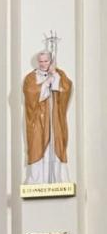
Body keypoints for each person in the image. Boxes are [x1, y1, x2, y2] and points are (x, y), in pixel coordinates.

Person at [23, 50, 72, 184]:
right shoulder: (31, 78)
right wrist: (46, 83)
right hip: (38, 122)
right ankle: (37, 181)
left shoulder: (58, 74)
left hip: (54, 122)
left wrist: (55, 75)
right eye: (41, 61)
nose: (43, 64)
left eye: (46, 61)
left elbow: (66, 88)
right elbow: (30, 93)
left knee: (56, 146)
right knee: (36, 146)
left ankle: (58, 179)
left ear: (51, 61)